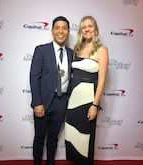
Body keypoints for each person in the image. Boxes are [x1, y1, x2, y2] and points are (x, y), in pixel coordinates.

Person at [65, 16, 109, 165]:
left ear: (95, 29)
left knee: (85, 138)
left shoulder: (102, 50)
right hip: (73, 101)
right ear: (81, 31)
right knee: (72, 136)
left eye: (90, 26)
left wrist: (95, 105)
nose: (87, 29)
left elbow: (102, 80)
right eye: (84, 27)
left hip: (88, 101)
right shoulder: (76, 49)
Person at [30, 16, 73, 165]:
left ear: (68, 31)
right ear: (52, 30)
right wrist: (37, 102)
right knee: (39, 138)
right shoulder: (41, 50)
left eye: (64, 28)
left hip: (61, 102)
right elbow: (34, 77)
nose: (61, 31)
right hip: (43, 101)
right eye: (57, 27)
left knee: (53, 138)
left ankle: (50, 163)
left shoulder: (71, 53)